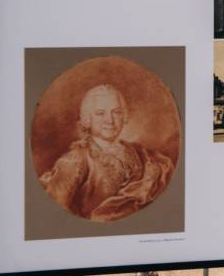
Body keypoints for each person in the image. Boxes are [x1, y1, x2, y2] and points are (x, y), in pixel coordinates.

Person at [38, 85, 175, 221]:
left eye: (116, 112)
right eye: (100, 113)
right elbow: (57, 213)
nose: (109, 120)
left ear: (124, 116)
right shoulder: (76, 160)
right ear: (87, 119)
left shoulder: (137, 152)